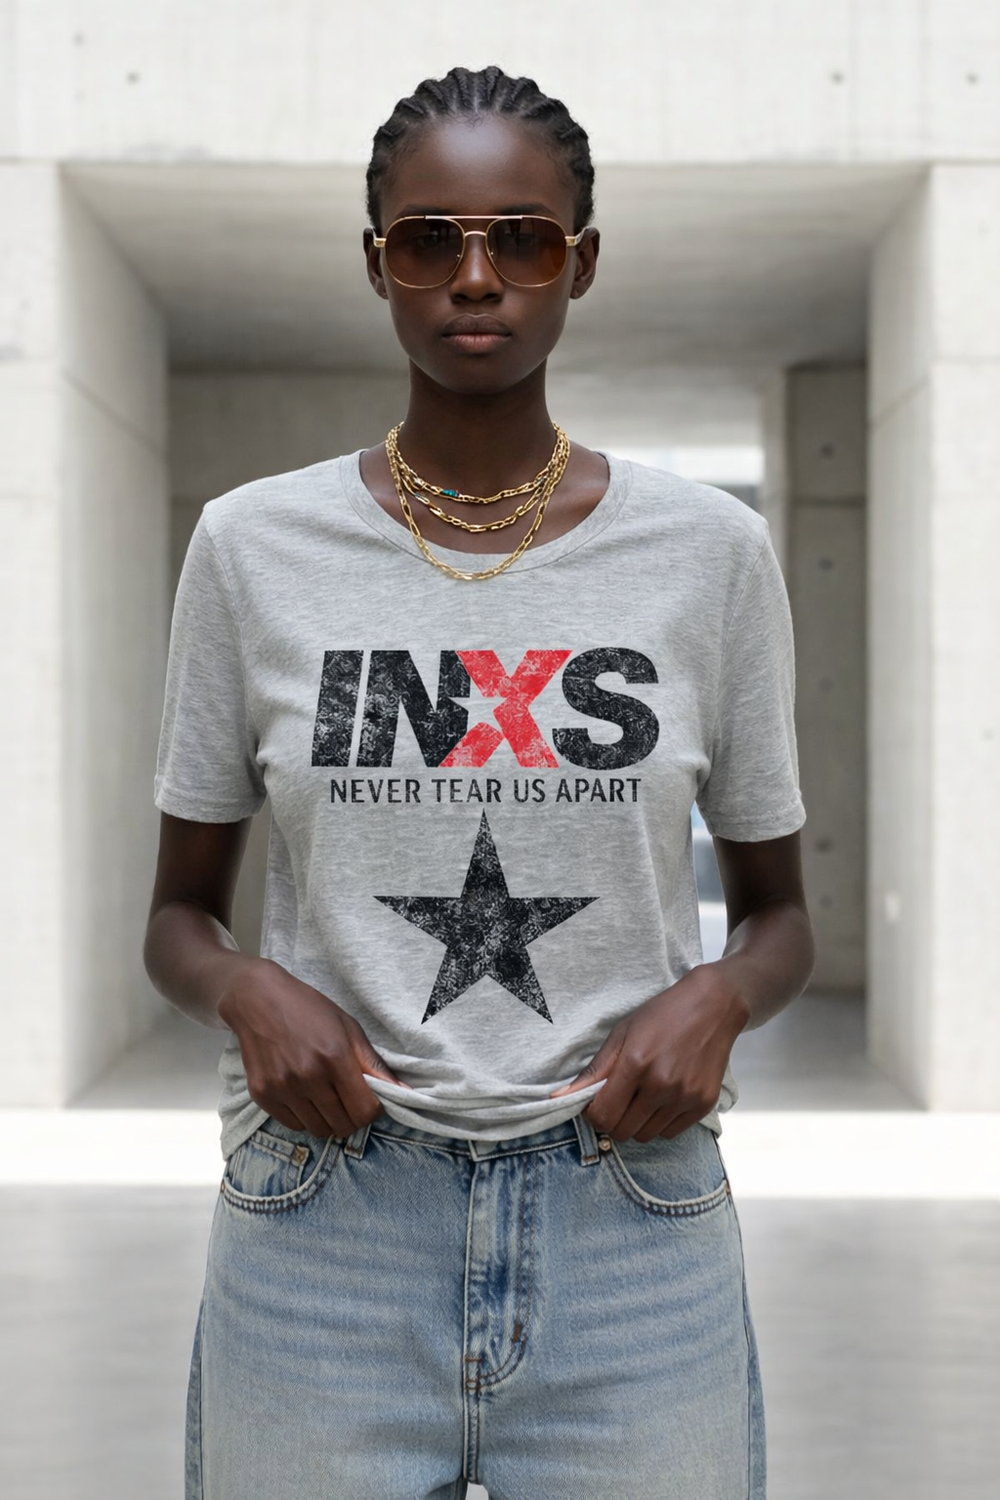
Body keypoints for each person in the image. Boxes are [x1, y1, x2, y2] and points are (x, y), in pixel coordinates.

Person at [144, 63, 814, 1500]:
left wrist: (718, 997)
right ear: (374, 260)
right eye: (427, 239)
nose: (475, 275)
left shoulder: (709, 554)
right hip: (321, 1221)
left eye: (522, 238)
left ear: (582, 261)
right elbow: (176, 919)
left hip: (630, 1223)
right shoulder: (252, 548)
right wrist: (247, 990)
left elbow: (782, 917)